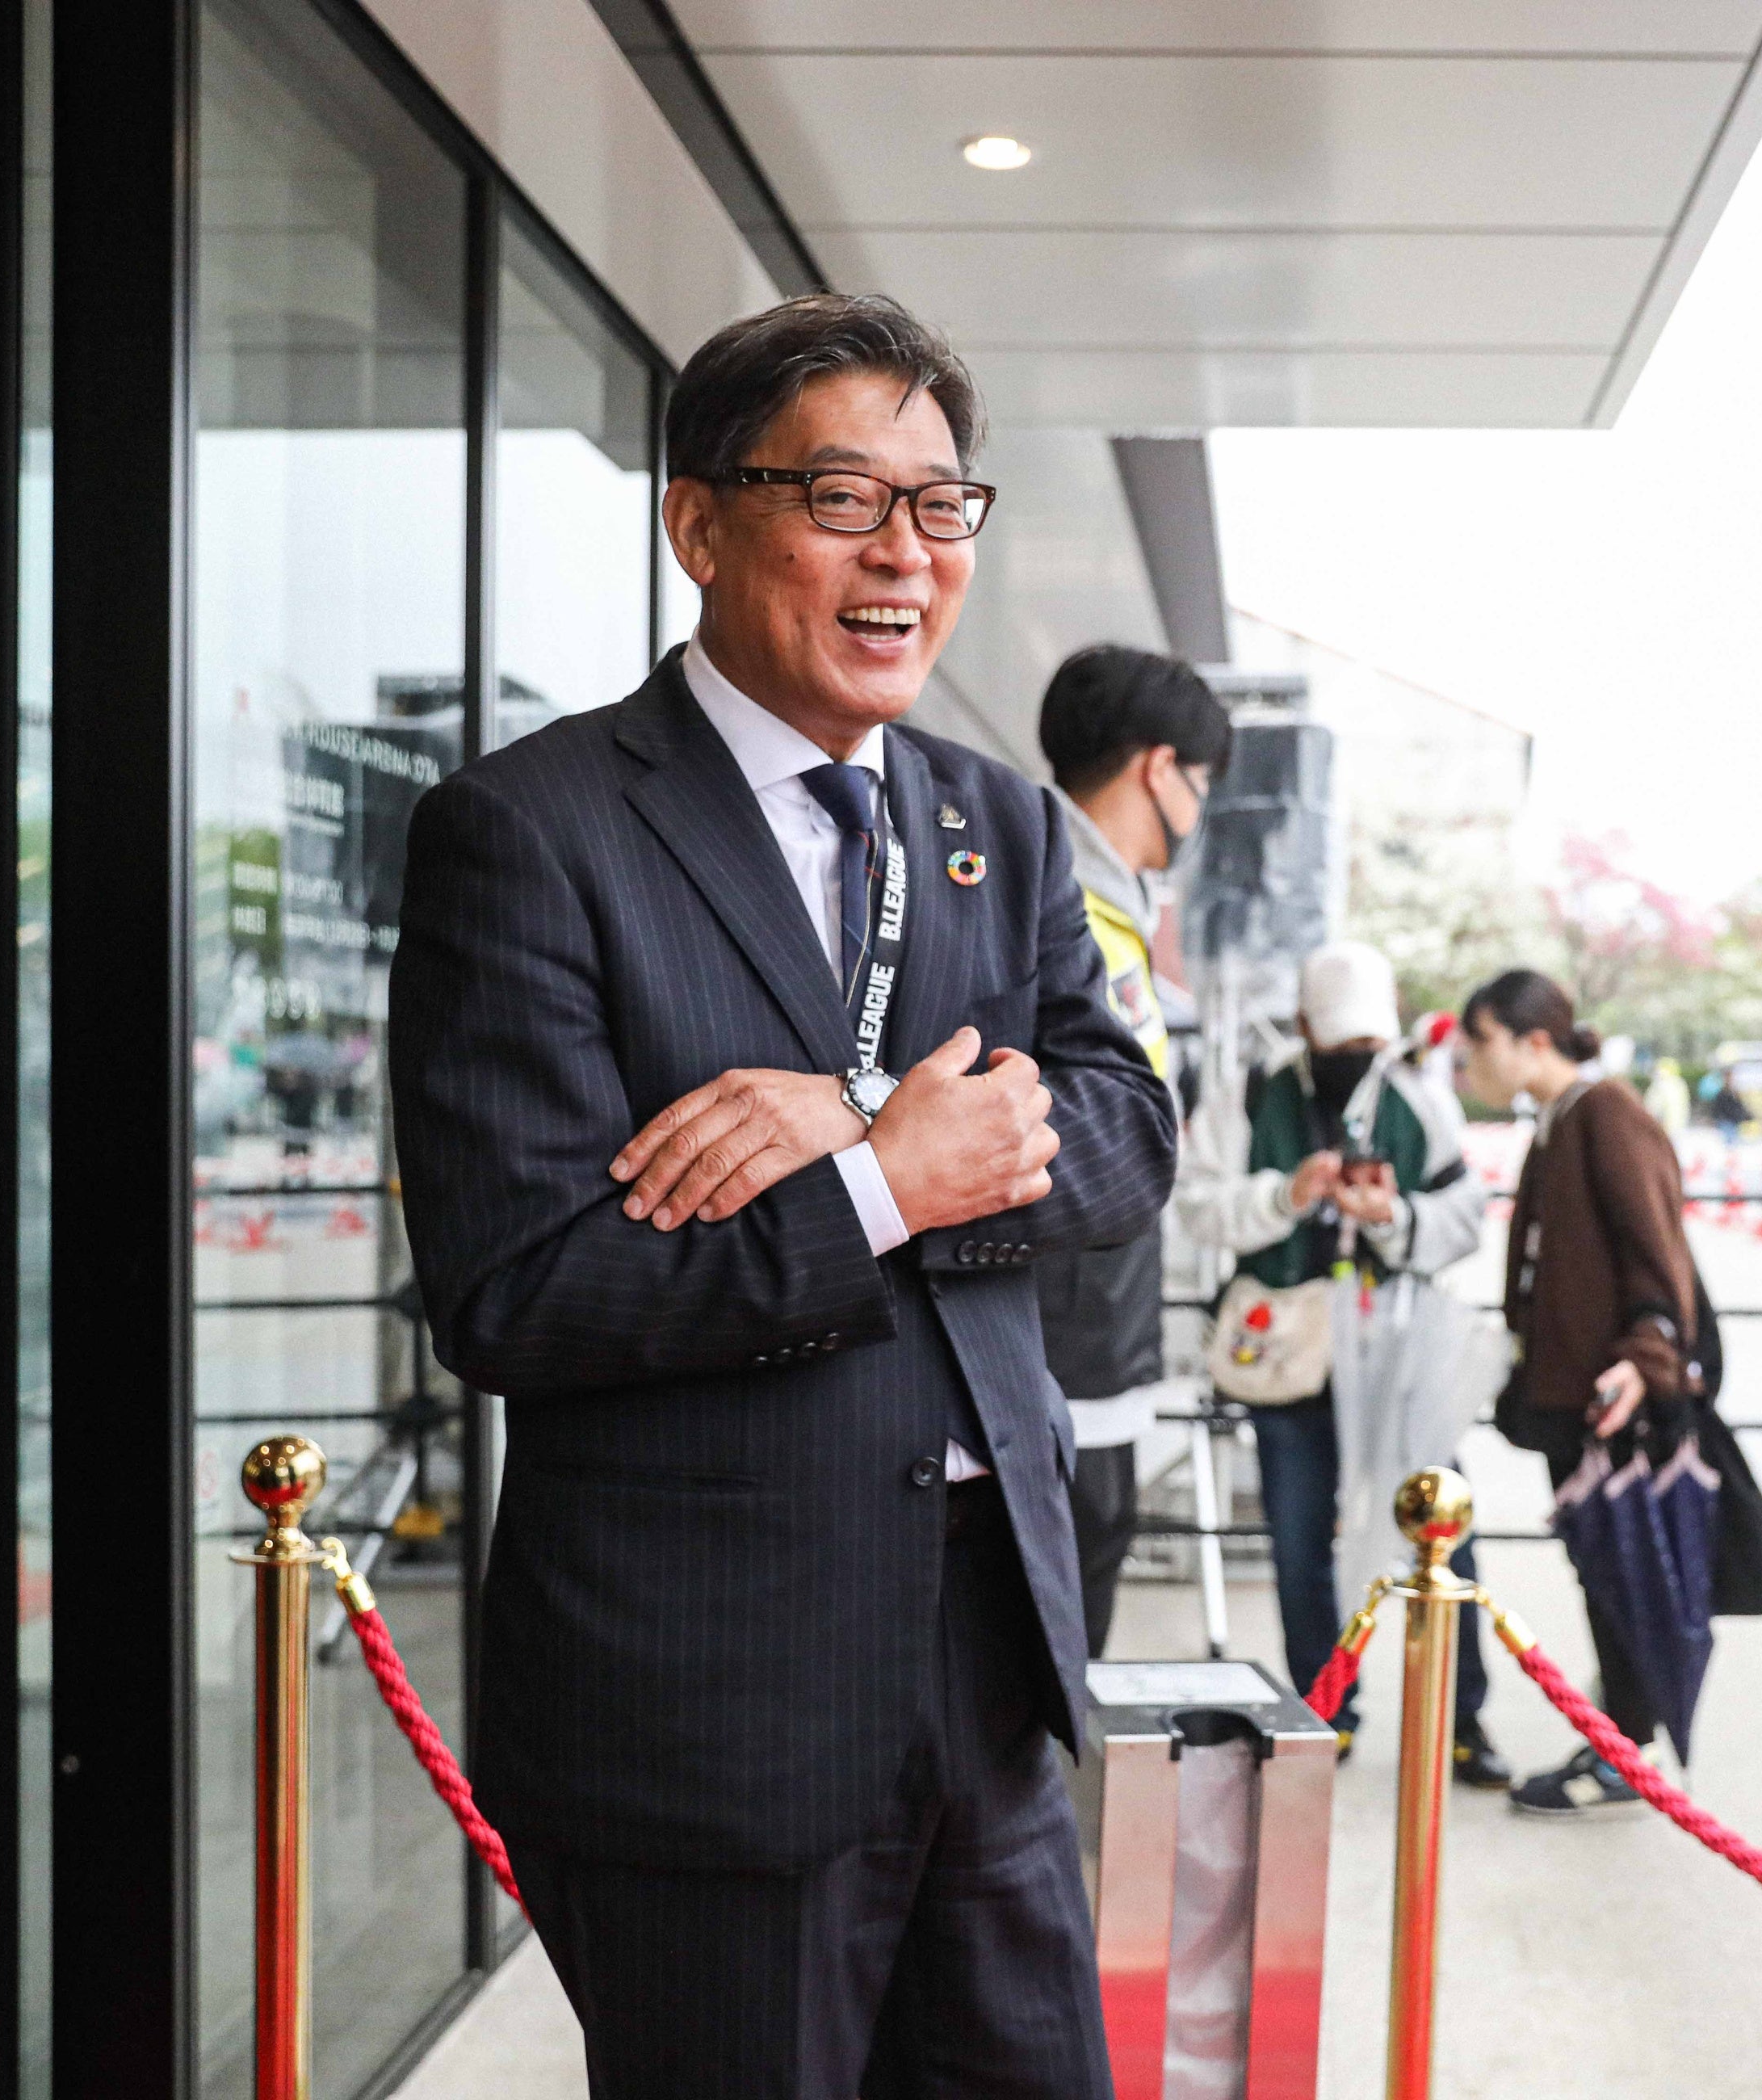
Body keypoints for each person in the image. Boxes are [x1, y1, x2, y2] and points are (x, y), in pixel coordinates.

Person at [388, 292, 1176, 2099]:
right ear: (700, 523)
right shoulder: (534, 831)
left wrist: (857, 1117)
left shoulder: (1002, 824)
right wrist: (882, 1185)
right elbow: (517, 1293)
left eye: (941, 505)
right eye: (842, 499)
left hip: (990, 1661)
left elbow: (1127, 1135)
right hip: (711, 1700)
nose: (906, 552)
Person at [1174, 942, 1511, 1787]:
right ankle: (1326, 1709)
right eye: (1342, 1040)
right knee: (1298, 1540)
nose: (1358, 1055)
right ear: (1304, 1025)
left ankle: (1461, 1714)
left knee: (1443, 1529)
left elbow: (1464, 1214)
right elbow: (1197, 1204)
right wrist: (1285, 1196)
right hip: (1289, 1353)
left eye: (1370, 1042)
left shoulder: (1417, 1096)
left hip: (1397, 1347)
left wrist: (1391, 1215)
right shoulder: (1252, 1092)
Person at [1457, 969, 1702, 1816]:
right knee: (1602, 1569)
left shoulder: (1605, 1113)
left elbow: (1658, 1248)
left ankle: (1625, 1752)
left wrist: (1645, 1353)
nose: (1470, 1062)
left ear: (1534, 1040)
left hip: (1613, 1394)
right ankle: (1620, 1739)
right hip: (1579, 1394)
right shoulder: (1560, 1118)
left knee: (1620, 1573)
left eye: (1481, 1041)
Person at [1033, 642, 1231, 1652]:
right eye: (1202, 783)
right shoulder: (1058, 898)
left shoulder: (1088, 896)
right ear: (1161, 769)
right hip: (1064, 1339)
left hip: (1085, 1329)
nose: (1200, 813)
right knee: (1059, 1627)